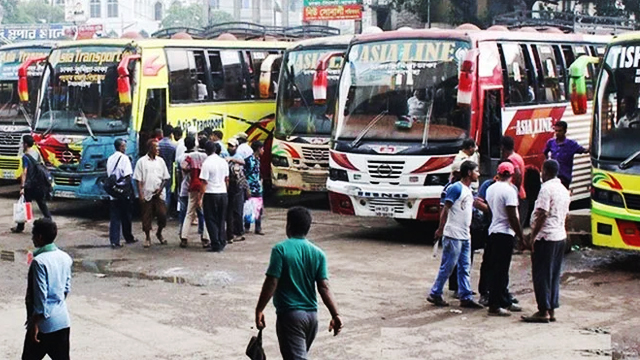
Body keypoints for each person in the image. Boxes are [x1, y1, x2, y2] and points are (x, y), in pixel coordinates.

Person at [255, 207, 343, 360]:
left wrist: (259, 309)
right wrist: (335, 314)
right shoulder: (318, 253)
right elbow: (324, 287)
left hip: (291, 316)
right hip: (312, 318)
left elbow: (271, 282)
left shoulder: (280, 250)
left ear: (288, 226)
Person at [427, 160, 483, 309]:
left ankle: (465, 296)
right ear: (469, 173)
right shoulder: (456, 188)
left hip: (464, 235)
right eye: (476, 171)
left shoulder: (467, 189)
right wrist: (441, 228)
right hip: (453, 234)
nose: (478, 174)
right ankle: (435, 292)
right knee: (449, 265)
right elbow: (445, 209)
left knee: (464, 266)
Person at [522, 160, 571, 323]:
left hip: (546, 236)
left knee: (541, 274)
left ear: (546, 171)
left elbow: (542, 213)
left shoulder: (546, 189)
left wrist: (533, 236)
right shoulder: (563, 189)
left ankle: (543, 310)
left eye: (542, 170)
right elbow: (567, 215)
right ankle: (551, 309)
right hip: (559, 235)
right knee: (553, 274)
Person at [22, 218, 72, 360]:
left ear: (39, 237)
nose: (32, 239)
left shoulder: (39, 261)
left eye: (33, 235)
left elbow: (40, 295)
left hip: (44, 324)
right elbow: (66, 288)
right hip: (62, 320)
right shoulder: (65, 257)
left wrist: (35, 323)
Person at [485, 161, 524, 317]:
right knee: (501, 271)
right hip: (504, 233)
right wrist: (521, 236)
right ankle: (495, 304)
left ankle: (503, 300)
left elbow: (490, 210)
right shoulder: (509, 191)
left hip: (494, 231)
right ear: (511, 175)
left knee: (497, 269)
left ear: (498, 173)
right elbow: (512, 216)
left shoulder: (490, 189)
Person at [133, 139, 170, 248]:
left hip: (159, 194)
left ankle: (159, 232)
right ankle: (147, 237)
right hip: (147, 193)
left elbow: (165, 178)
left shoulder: (161, 161)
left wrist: (160, 189)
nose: (158, 149)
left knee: (162, 215)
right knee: (146, 217)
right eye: (156, 147)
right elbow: (138, 180)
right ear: (150, 148)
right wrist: (140, 194)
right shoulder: (141, 162)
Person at [12, 135, 51, 233]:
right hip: (39, 184)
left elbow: (25, 172)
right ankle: (50, 221)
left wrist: (22, 187)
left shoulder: (25, 156)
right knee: (42, 204)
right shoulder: (36, 153)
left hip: (30, 185)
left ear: (25, 144)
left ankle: (21, 226)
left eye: (23, 143)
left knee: (25, 204)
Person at [106, 139, 137, 249]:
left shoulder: (110, 159)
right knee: (126, 215)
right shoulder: (124, 158)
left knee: (115, 217)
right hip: (123, 192)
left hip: (113, 192)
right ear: (120, 147)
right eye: (124, 146)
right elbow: (128, 176)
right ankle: (128, 237)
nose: (125, 148)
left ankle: (114, 240)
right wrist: (128, 191)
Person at [179, 136, 209, 248]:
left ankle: (184, 237)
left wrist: (190, 170)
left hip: (192, 186)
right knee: (205, 213)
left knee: (189, 213)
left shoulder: (191, 156)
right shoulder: (207, 157)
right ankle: (205, 238)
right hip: (203, 186)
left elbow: (183, 166)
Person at [199, 141, 229, 252]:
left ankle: (215, 243)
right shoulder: (223, 162)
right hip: (222, 192)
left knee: (210, 219)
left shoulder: (207, 163)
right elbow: (227, 179)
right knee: (221, 218)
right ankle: (222, 240)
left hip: (211, 193)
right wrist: (225, 191)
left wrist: (200, 198)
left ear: (206, 151)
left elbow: (204, 182)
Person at [543, 121, 588, 189]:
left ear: (565, 131)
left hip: (565, 177)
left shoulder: (571, 144)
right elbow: (545, 152)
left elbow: (583, 150)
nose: (557, 133)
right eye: (556, 131)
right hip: (553, 177)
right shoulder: (551, 143)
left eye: (560, 131)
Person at [501, 136, 527, 227]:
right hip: (522, 194)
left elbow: (518, 175)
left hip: (518, 195)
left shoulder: (511, 159)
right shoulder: (517, 156)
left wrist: (515, 191)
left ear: (503, 147)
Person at [226, 137, 248, 243]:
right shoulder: (225, 156)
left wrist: (232, 160)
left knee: (238, 210)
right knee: (231, 211)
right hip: (230, 188)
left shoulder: (237, 157)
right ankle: (233, 231)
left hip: (238, 187)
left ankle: (239, 232)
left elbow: (242, 162)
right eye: (229, 145)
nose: (229, 148)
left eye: (232, 146)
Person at [245, 140, 265, 235]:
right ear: (258, 149)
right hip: (250, 187)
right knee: (249, 207)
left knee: (258, 208)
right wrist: (247, 187)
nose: (263, 150)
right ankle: (247, 226)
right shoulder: (249, 160)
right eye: (262, 148)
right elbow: (245, 174)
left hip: (258, 187)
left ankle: (258, 227)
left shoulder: (258, 160)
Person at [158, 125, 176, 208]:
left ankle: (158, 209)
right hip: (168, 170)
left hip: (157, 170)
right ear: (171, 134)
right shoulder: (173, 146)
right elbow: (173, 160)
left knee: (158, 190)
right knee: (167, 191)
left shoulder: (158, 144)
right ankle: (166, 210)